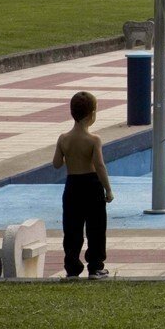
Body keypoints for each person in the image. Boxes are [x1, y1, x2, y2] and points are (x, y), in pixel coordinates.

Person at [52, 91, 113, 279]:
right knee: (96, 228)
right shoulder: (93, 140)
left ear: (72, 112)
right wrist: (108, 189)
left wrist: (69, 155)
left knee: (72, 229)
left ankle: (72, 268)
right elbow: (100, 166)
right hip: (92, 185)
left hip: (72, 186)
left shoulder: (63, 138)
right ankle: (95, 267)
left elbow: (56, 164)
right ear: (92, 114)